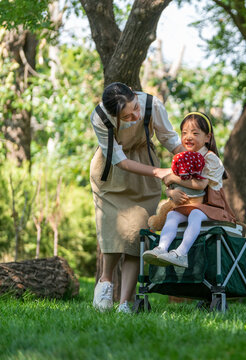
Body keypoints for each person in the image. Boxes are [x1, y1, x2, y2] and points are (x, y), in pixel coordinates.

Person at [90, 82, 185, 313]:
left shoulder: (152, 104)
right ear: (115, 115)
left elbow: (169, 139)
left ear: (135, 95)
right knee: (113, 232)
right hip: (111, 174)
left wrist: (197, 159)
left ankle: (125, 302)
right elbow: (120, 160)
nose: (135, 115)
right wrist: (160, 172)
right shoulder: (100, 118)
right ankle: (105, 282)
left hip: (144, 174)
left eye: (134, 108)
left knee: (136, 237)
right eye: (127, 115)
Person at [142, 112, 236, 268]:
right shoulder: (183, 158)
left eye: (195, 133)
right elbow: (170, 188)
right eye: (184, 133)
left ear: (207, 137)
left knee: (195, 214)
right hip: (188, 204)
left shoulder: (210, 158)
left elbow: (200, 185)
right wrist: (172, 193)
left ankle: (181, 253)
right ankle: (162, 247)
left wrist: (173, 177)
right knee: (172, 214)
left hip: (211, 206)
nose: (188, 137)